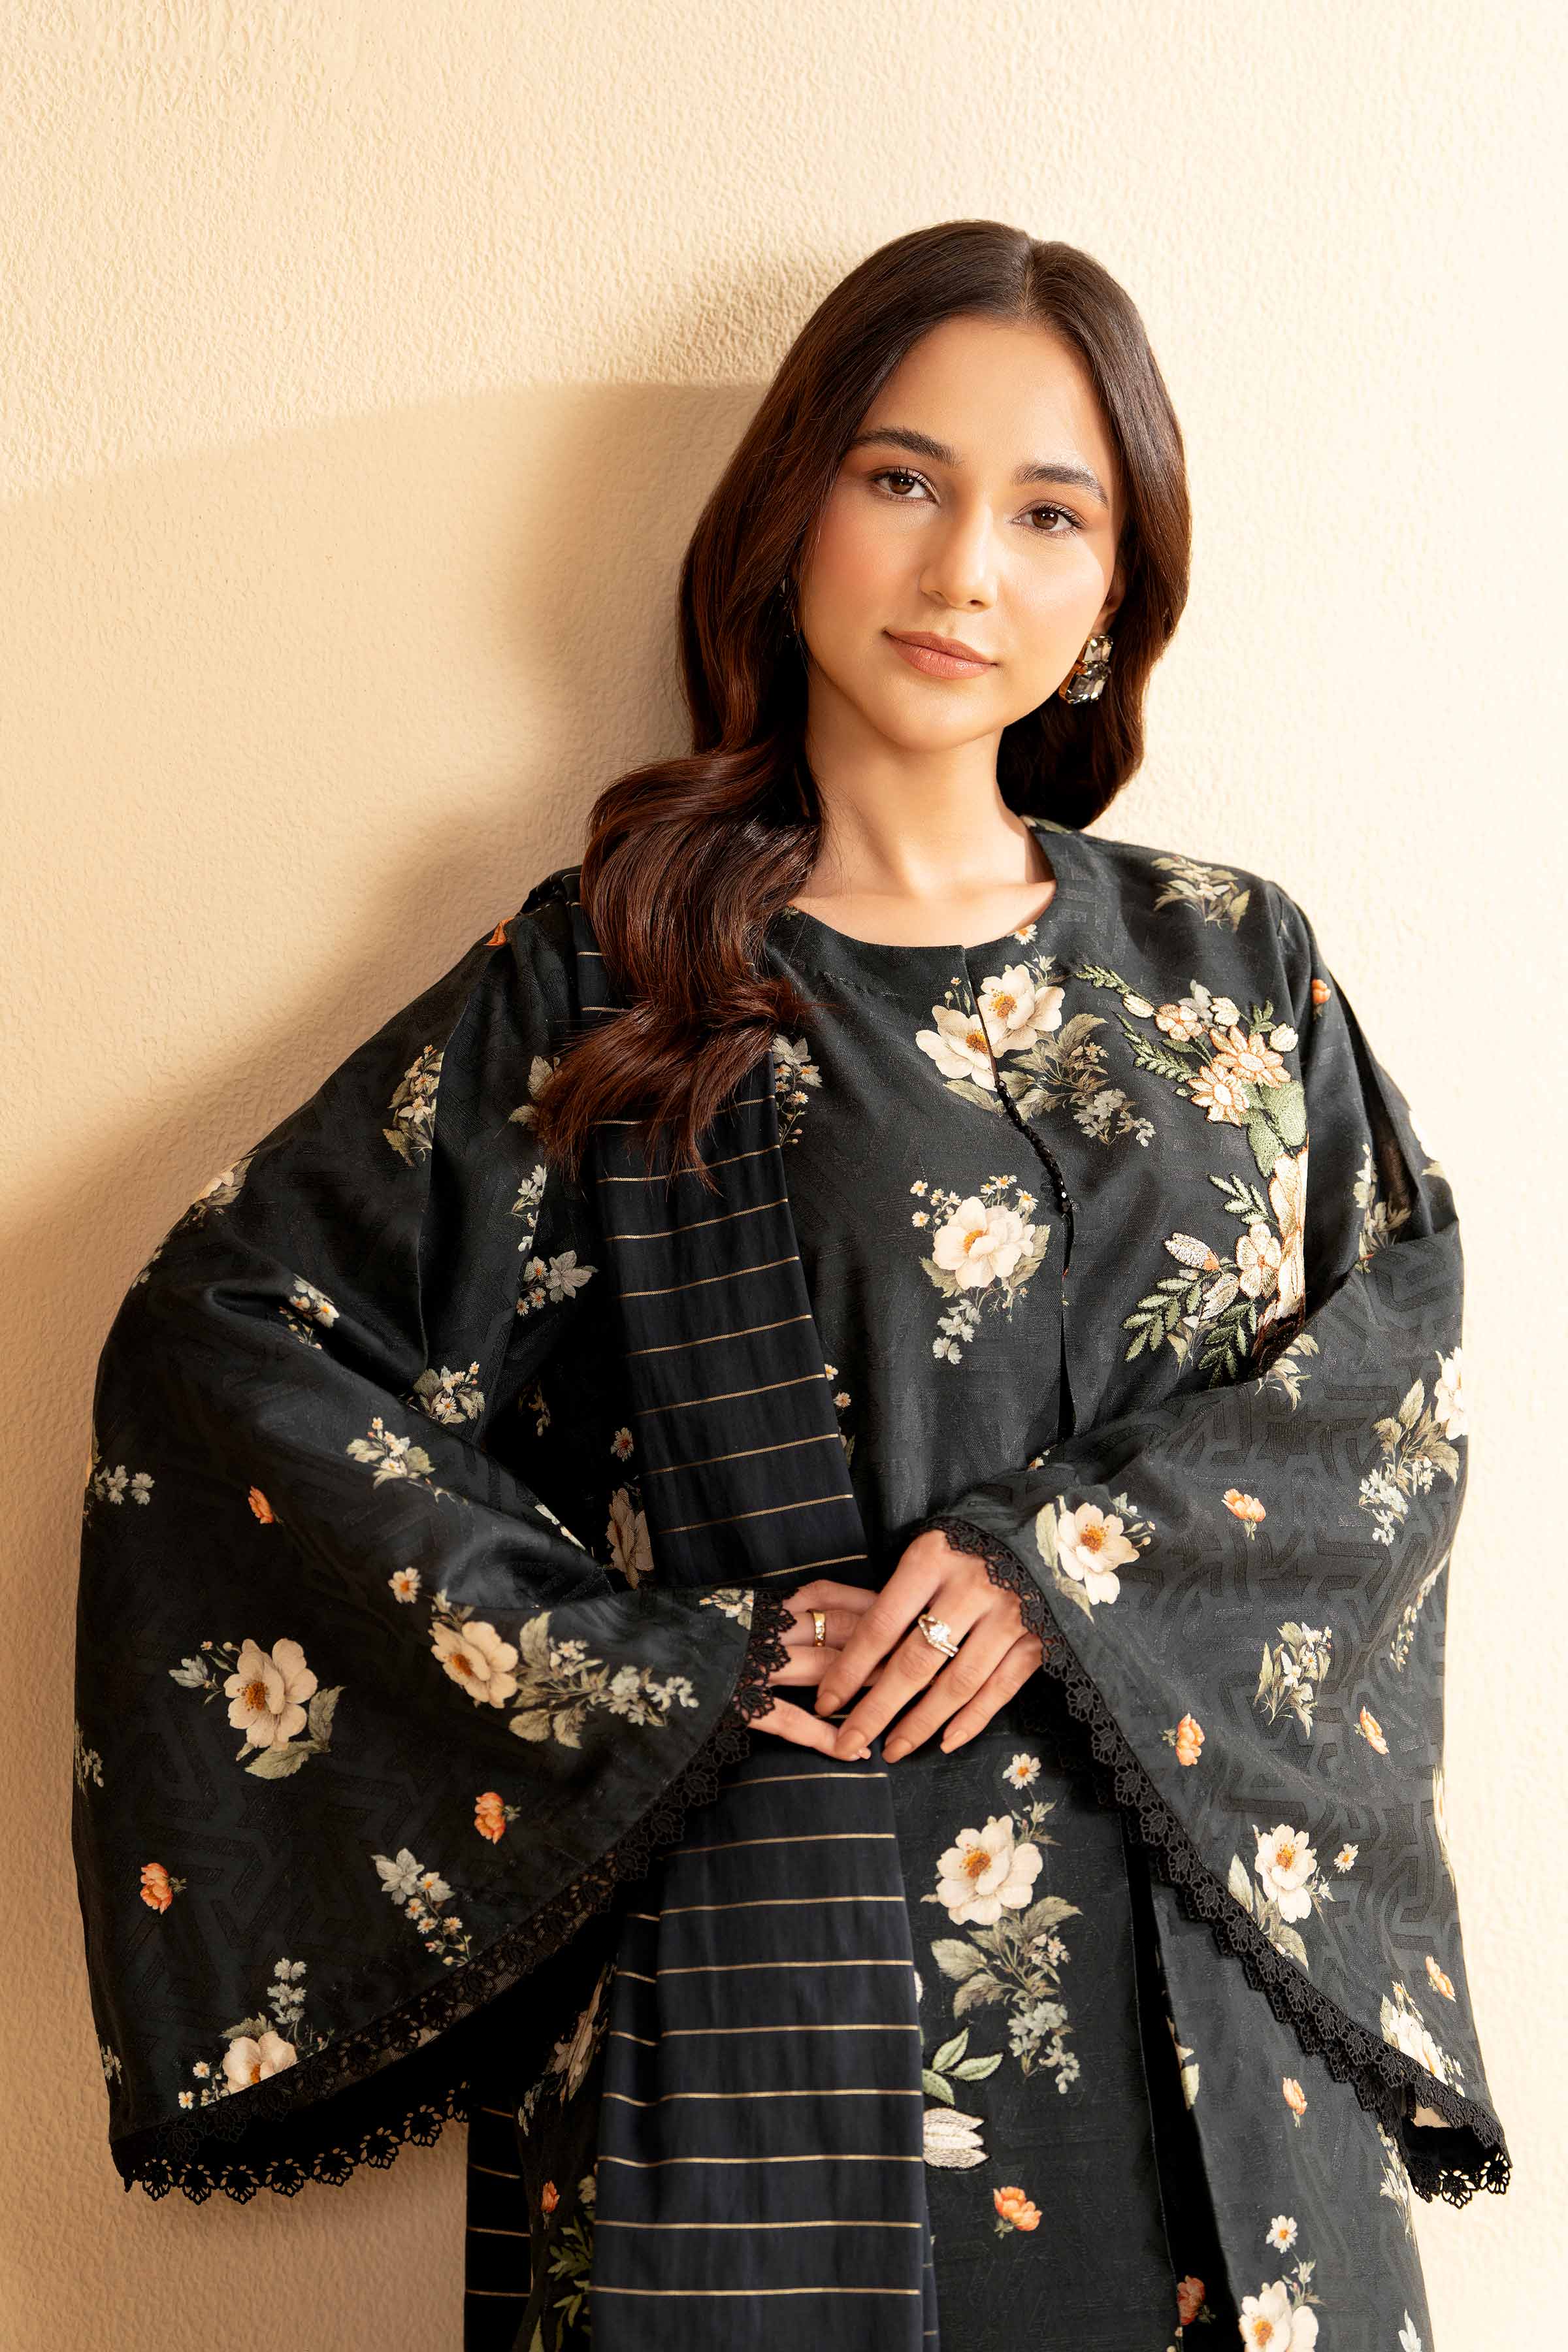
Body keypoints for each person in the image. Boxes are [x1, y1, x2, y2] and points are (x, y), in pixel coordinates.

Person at [73, 223, 1507, 2352]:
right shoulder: (614, 977)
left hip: (1213, 2034)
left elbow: (1383, 1401)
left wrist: (1064, 1570)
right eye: (902, 479)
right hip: (768, 2004)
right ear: (790, 514)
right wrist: (655, 1673)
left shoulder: (1233, 969)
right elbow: (230, 1348)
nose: (965, 570)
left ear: (1117, 596)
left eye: (1050, 514)